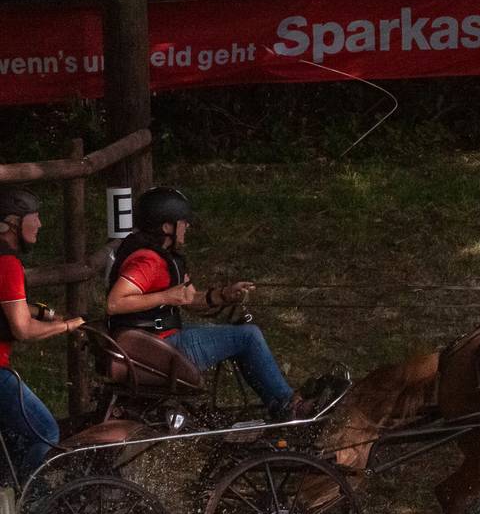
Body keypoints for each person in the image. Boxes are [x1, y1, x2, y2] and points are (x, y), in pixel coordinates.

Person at [105, 186, 309, 420]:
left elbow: (189, 297)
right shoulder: (148, 261)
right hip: (157, 346)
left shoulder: (164, 255)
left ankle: (277, 404)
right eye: (183, 222)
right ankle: (286, 404)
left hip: (160, 337)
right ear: (167, 227)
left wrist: (222, 295)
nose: (187, 227)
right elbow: (115, 303)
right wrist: (165, 297)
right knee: (248, 336)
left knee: (238, 335)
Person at [0, 187, 84, 483]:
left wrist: (45, 312)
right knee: (45, 431)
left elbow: (13, 308)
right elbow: (22, 329)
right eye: (33, 217)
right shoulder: (7, 263)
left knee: (14, 441)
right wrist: (66, 326)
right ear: (12, 222)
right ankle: (26, 506)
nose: (39, 224)